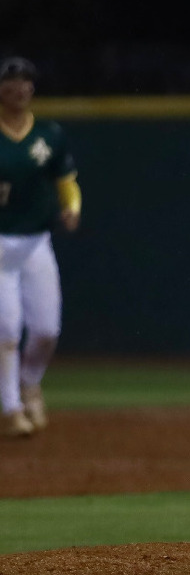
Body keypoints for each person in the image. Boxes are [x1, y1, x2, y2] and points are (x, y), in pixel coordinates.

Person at [0, 56, 80, 438]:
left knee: (47, 329)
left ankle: (30, 382)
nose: (20, 88)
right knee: (7, 330)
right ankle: (11, 409)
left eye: (26, 81)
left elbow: (66, 180)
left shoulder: (49, 133)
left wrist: (72, 207)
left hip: (35, 242)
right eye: (11, 81)